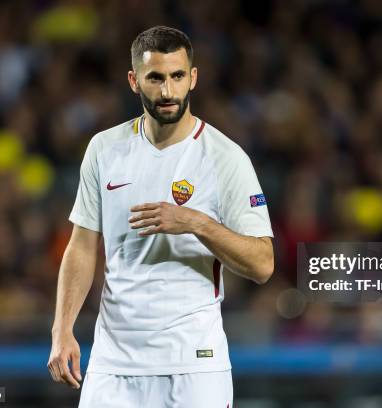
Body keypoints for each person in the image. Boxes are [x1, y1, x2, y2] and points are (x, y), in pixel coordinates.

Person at [47, 25, 274, 408]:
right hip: (113, 364)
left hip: (194, 365)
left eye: (177, 76)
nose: (167, 91)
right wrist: (62, 329)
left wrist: (195, 223)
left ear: (193, 78)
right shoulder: (104, 149)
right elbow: (82, 247)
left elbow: (263, 264)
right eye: (156, 78)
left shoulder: (225, 158)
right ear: (135, 81)